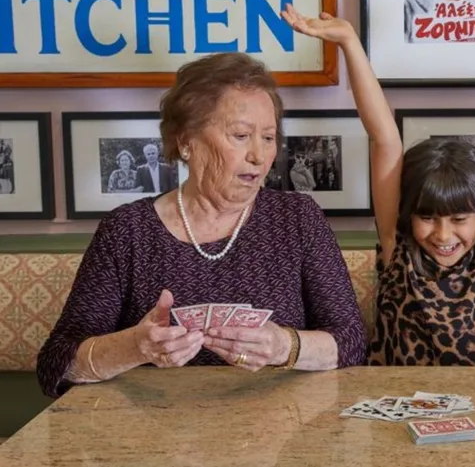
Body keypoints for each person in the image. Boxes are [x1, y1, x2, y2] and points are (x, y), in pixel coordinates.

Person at [37, 52, 367, 398]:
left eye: (268, 138)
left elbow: (351, 342)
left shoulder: (297, 219)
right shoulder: (127, 230)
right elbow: (56, 364)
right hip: (150, 435)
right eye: (240, 135)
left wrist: (285, 345)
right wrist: (134, 347)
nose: (258, 155)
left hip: (280, 434)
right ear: (185, 142)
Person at [281, 0, 475, 366]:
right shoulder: (399, 252)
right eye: (427, 218)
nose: (443, 236)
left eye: (459, 219)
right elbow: (384, 138)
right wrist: (349, 43)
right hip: (399, 411)